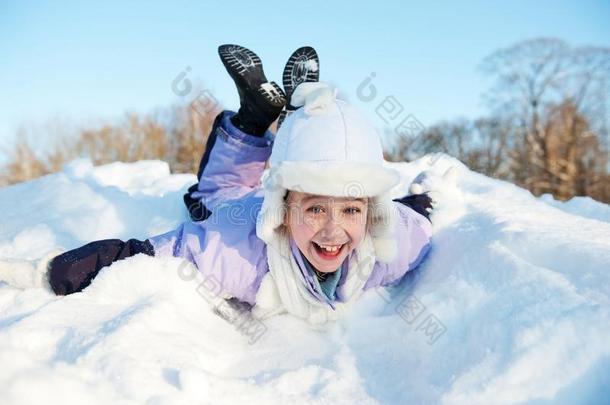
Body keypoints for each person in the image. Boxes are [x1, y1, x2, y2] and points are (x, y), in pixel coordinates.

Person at [47, 44, 433, 324]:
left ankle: (292, 119)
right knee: (213, 196)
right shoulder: (236, 251)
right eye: (316, 208)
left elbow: (411, 218)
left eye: (351, 209)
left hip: (278, 194)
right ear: (282, 212)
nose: (334, 229)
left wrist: (420, 203)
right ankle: (255, 119)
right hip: (241, 212)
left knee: (233, 187)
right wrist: (59, 272)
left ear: (372, 212)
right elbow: (146, 253)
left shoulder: (392, 243)